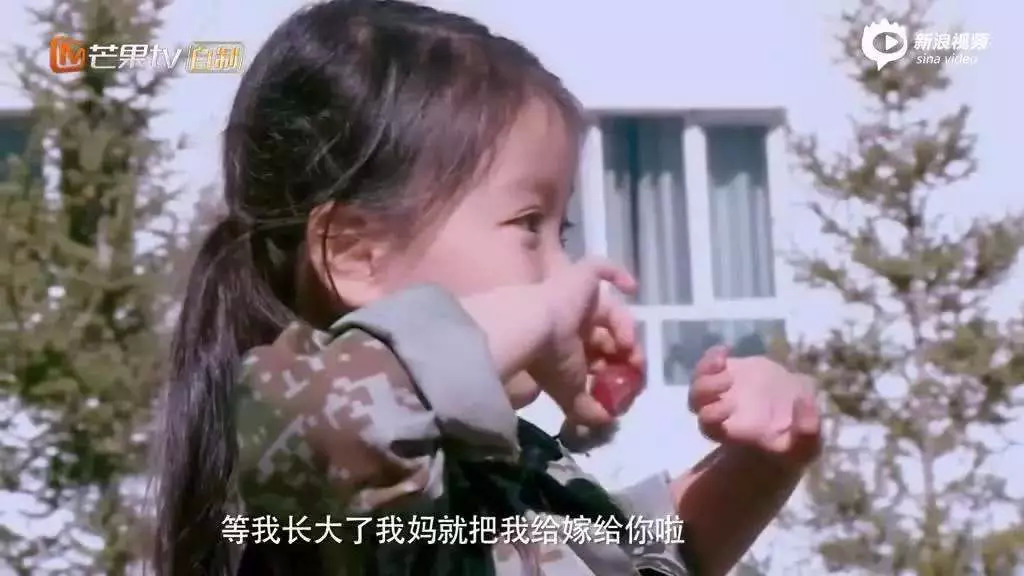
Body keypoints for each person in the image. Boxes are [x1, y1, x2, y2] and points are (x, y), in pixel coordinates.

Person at [151, 1, 822, 575]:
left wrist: (763, 459)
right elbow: (333, 420)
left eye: (562, 231)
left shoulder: (512, 467)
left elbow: (639, 557)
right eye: (529, 226)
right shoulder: (316, 458)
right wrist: (541, 313)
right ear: (357, 255)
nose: (566, 276)